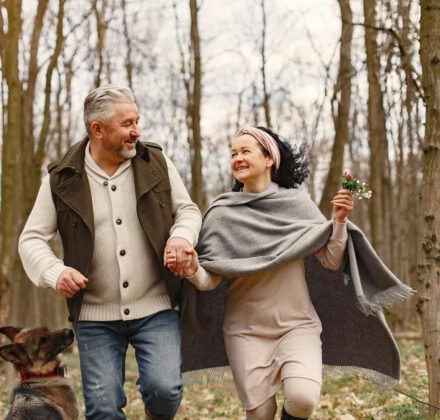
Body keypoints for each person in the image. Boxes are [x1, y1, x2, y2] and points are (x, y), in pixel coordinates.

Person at [166, 126, 412, 420]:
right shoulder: (222, 213)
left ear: (270, 158)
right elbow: (210, 280)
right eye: (233, 153)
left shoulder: (297, 204)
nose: (237, 158)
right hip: (245, 331)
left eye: (246, 151)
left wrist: (339, 222)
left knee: (302, 399)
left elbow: (331, 261)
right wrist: (193, 269)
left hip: (298, 325)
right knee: (260, 414)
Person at [19, 85, 202, 420]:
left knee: (164, 391)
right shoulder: (61, 178)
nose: (137, 131)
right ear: (98, 130)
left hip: (156, 305)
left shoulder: (155, 162)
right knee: (103, 410)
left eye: (137, 121)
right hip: (94, 315)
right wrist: (55, 272)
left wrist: (181, 238)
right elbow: (31, 239)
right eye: (127, 124)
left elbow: (187, 211)